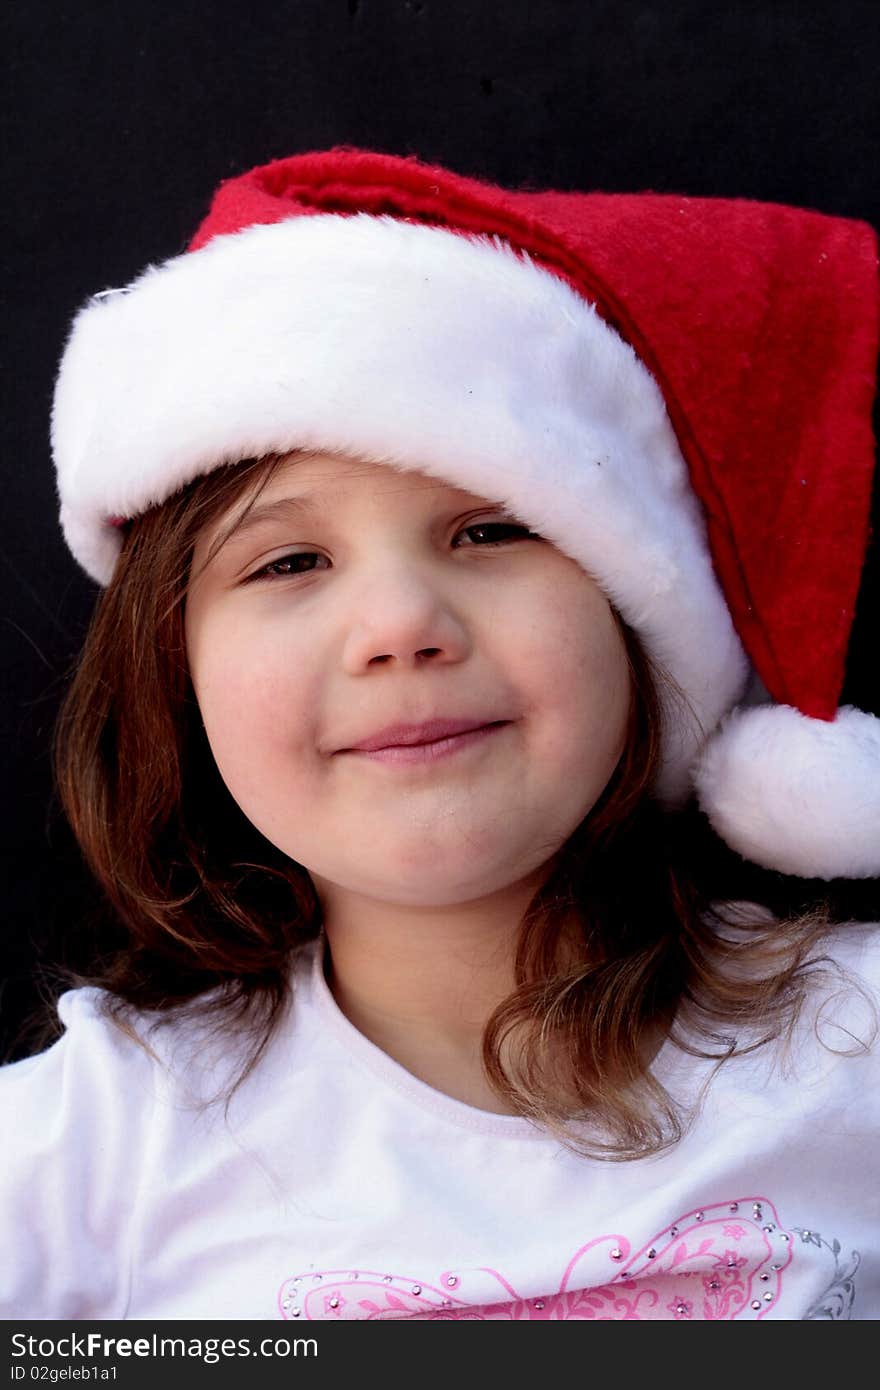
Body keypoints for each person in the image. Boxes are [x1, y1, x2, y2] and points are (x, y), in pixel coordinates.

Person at [2, 146, 879, 1321]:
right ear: (175, 680)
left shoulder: (857, 1045)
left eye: (490, 532)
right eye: (291, 560)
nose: (402, 626)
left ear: (639, 621)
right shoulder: (92, 1150)